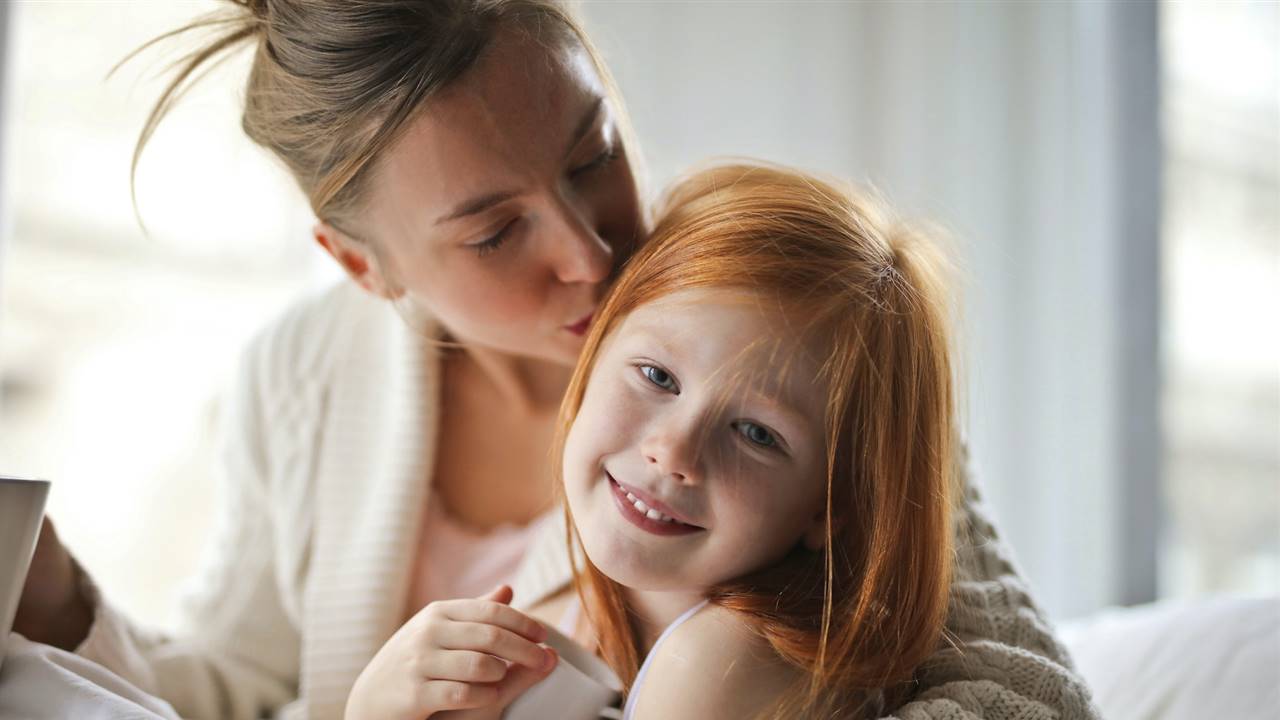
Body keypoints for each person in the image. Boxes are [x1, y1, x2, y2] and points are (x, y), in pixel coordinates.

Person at [13, 2, 1098, 719]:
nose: (591, 250)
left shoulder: (788, 336)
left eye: (594, 154)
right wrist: (53, 599)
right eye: (494, 233)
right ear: (359, 262)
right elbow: (240, 689)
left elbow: (1028, 698)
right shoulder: (302, 373)